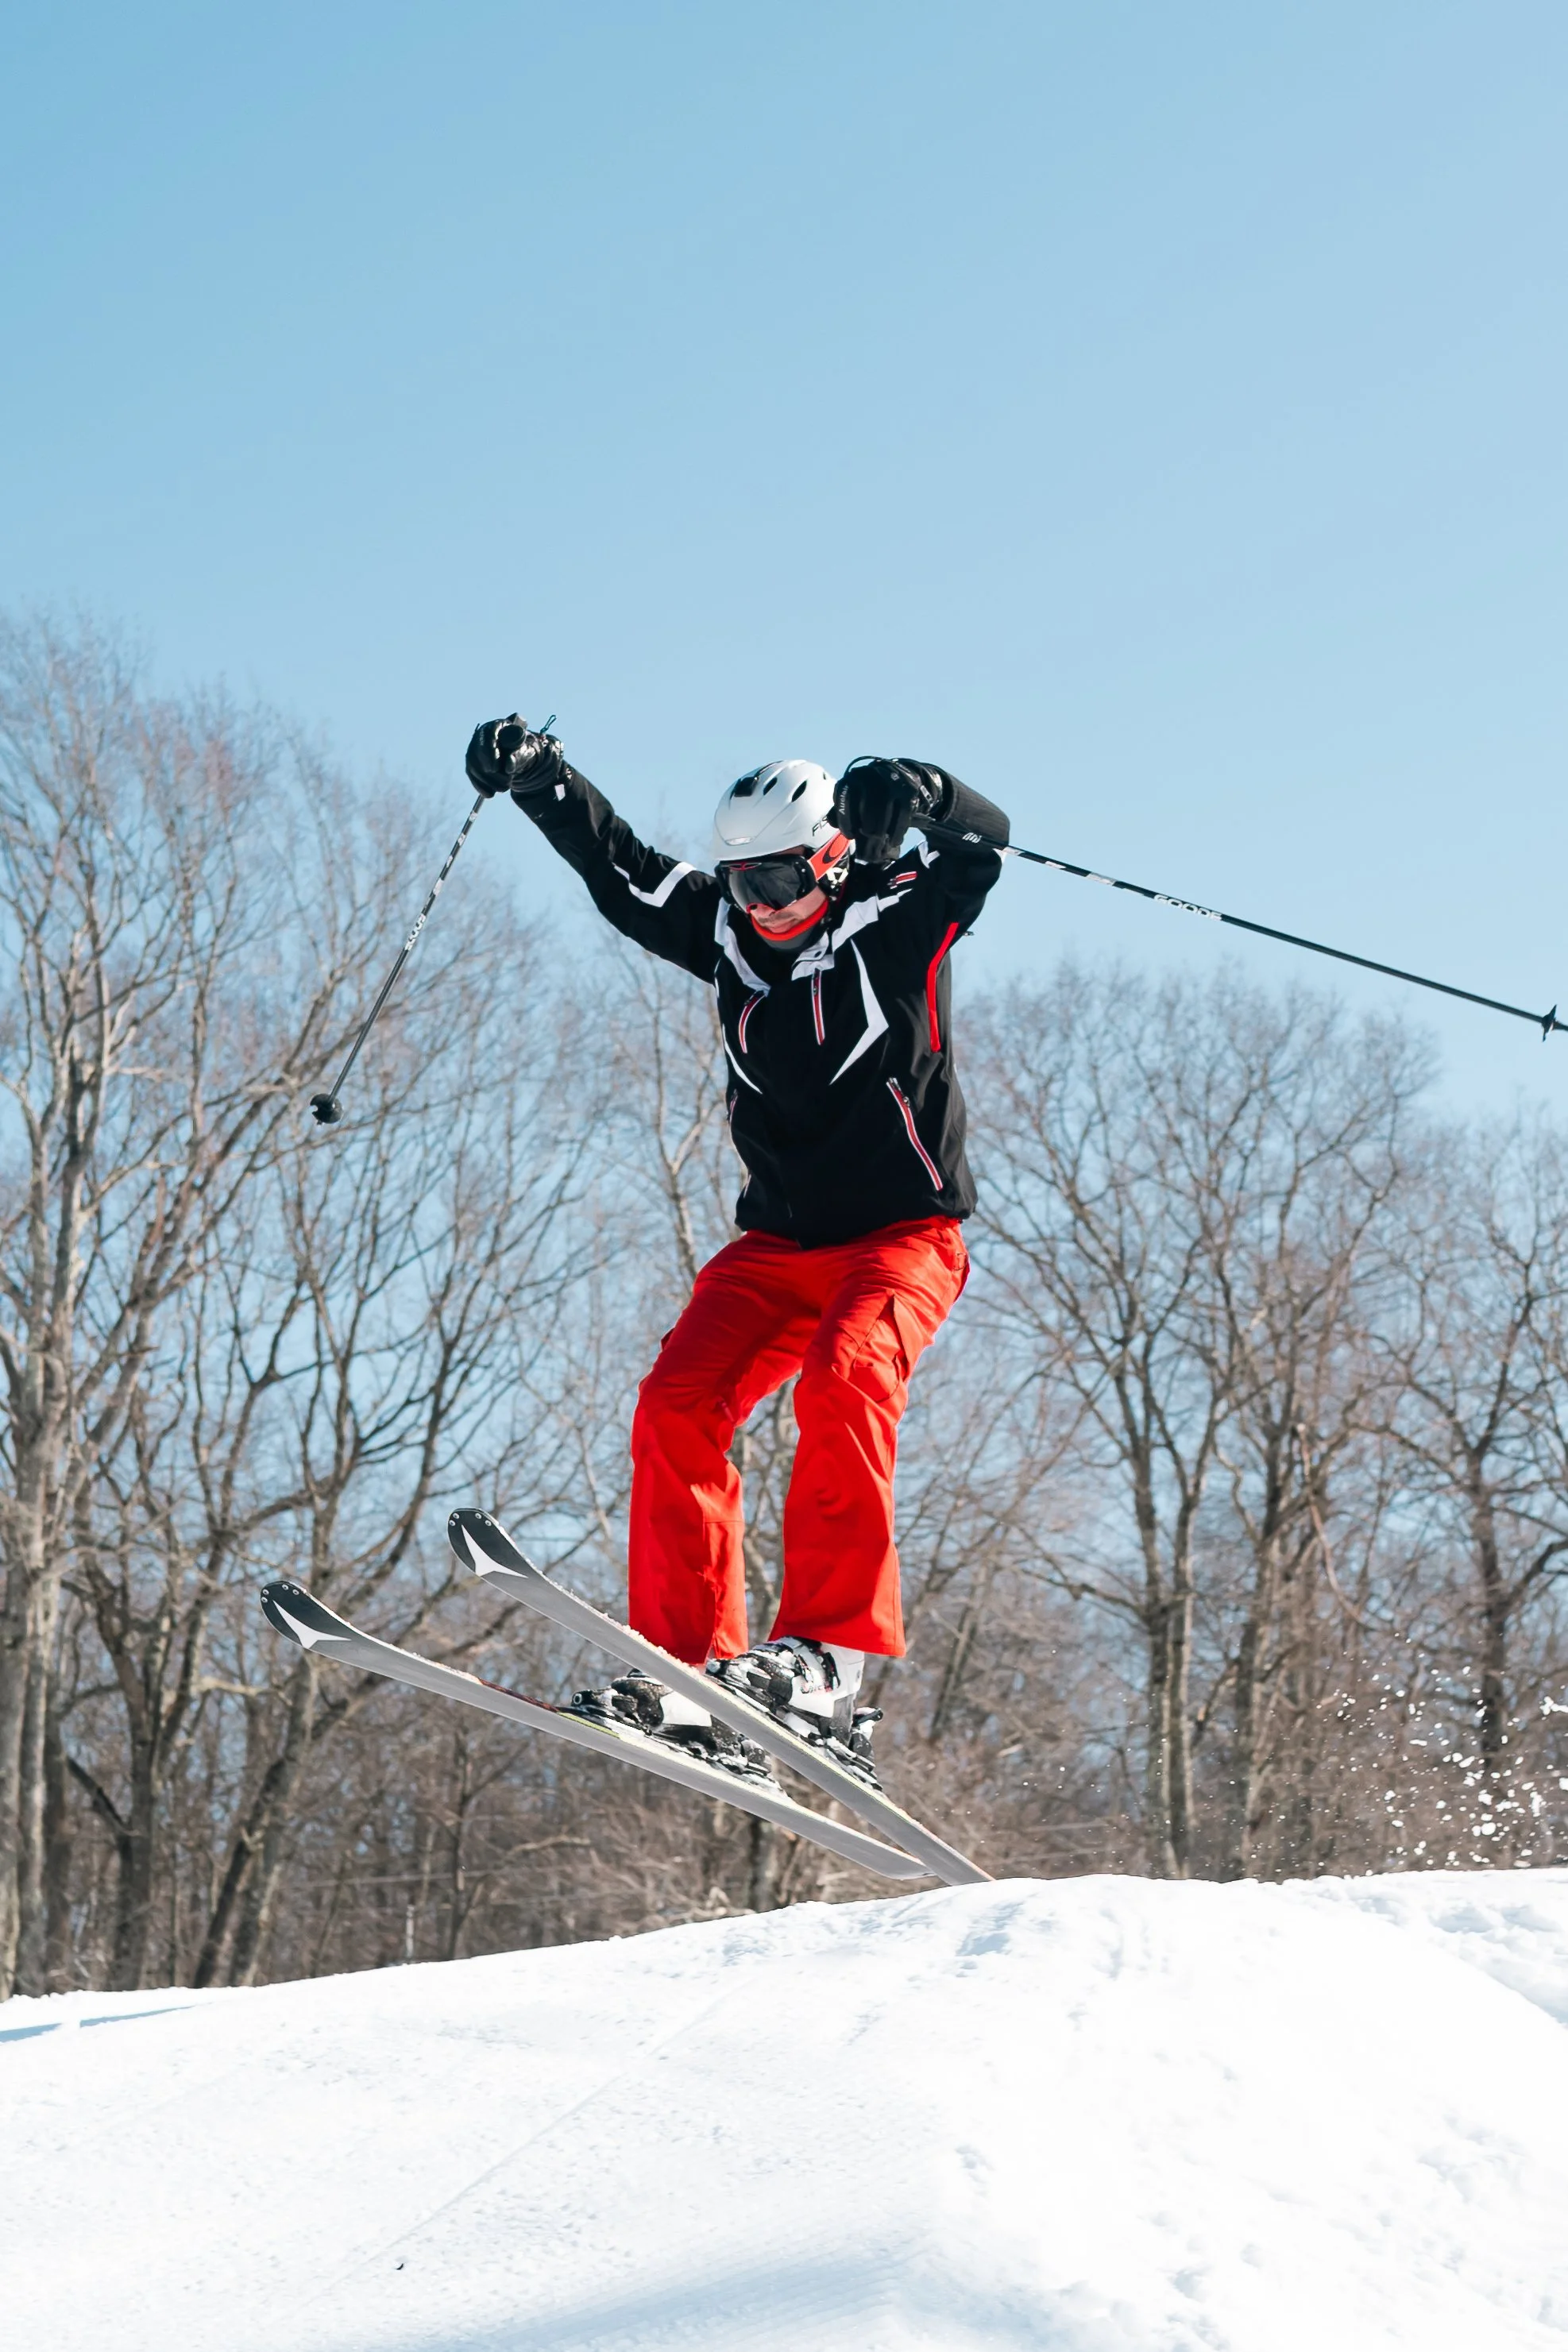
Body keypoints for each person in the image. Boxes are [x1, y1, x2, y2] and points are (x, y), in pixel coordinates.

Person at [464, 716, 1010, 1788]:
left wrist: (925, 790)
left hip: (900, 1240)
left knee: (845, 1383)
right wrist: (538, 780)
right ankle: (688, 1672)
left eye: (777, 877)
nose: (759, 903)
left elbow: (982, 845)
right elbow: (616, 867)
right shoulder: (721, 928)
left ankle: (829, 1665)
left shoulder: (897, 918)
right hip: (774, 1249)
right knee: (676, 1404)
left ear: (828, 857)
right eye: (742, 879)